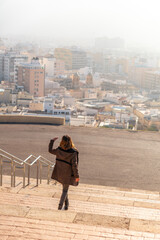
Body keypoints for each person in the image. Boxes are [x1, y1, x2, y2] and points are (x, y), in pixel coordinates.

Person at [48, 135, 79, 210]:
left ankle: (67, 204)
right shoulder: (73, 152)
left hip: (59, 173)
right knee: (65, 190)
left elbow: (50, 150)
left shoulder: (59, 150)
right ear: (70, 141)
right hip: (68, 175)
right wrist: (77, 176)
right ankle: (60, 205)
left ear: (62, 141)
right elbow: (74, 166)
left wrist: (52, 141)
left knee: (65, 189)